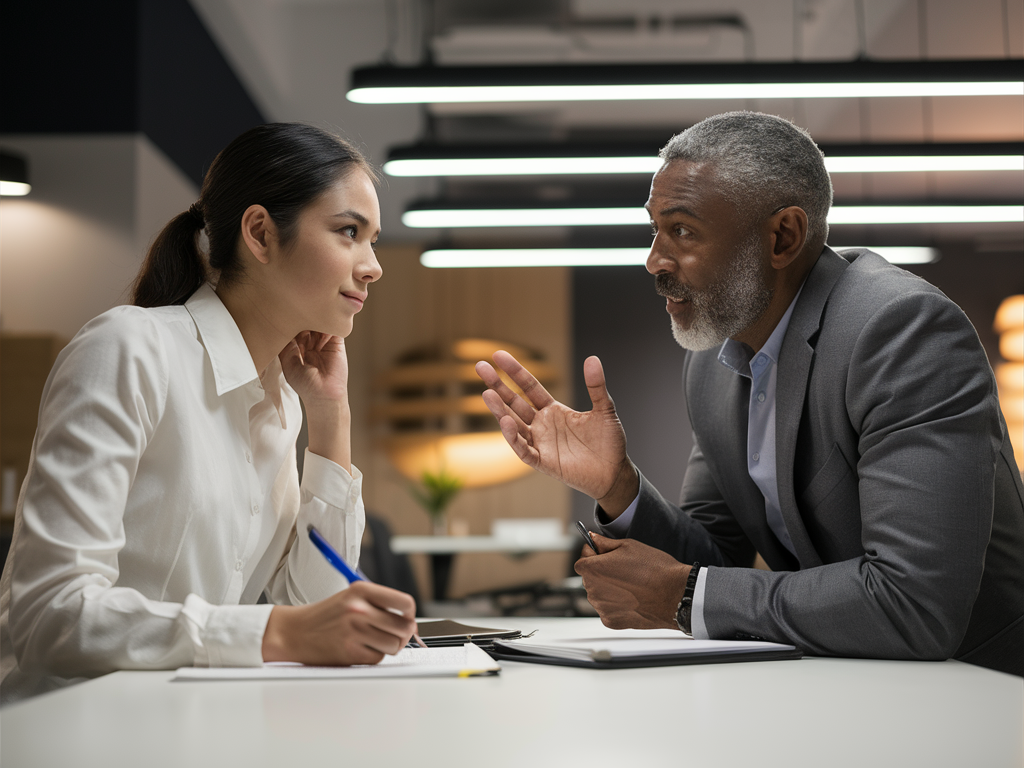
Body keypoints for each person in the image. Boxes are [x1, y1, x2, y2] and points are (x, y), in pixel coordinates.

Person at [476, 112, 1024, 677]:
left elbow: (916, 604)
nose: (654, 260)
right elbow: (715, 560)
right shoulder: (712, 366)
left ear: (782, 236)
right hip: (855, 680)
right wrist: (619, 487)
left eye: (683, 231)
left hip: (980, 691)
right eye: (654, 229)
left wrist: (684, 597)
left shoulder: (901, 331)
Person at [0, 123, 418, 704]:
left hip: (195, 726)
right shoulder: (130, 348)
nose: (372, 266)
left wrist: (331, 417)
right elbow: (51, 616)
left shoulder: (285, 402)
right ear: (261, 233)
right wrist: (274, 632)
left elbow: (308, 613)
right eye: (349, 232)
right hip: (72, 730)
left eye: (372, 239)